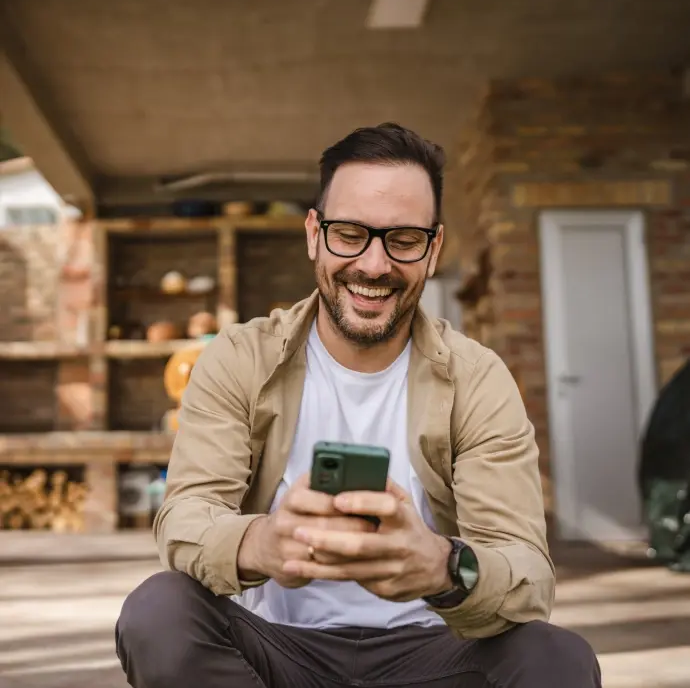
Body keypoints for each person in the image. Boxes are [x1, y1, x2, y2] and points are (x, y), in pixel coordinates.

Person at [115, 122, 601, 687]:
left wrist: (444, 567)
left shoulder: (478, 378)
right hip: (280, 656)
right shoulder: (240, 357)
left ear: (434, 248)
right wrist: (261, 543)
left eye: (403, 240)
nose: (373, 266)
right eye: (350, 233)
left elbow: (527, 574)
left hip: (432, 654)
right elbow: (185, 518)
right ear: (313, 235)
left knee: (557, 657)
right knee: (160, 612)